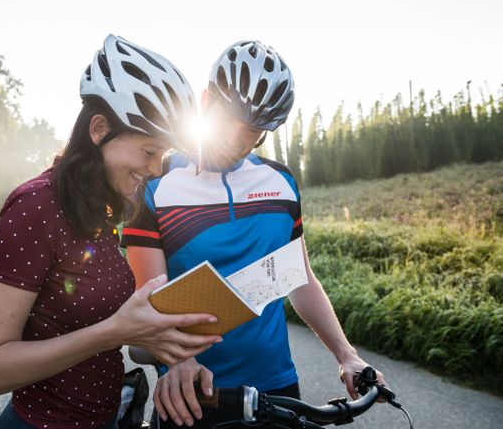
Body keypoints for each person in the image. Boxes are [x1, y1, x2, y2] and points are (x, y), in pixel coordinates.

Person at [122, 40, 388, 428]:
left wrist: (347, 355)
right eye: (228, 117)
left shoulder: (280, 182)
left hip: (277, 388)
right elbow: (149, 298)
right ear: (205, 100)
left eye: (253, 130)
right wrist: (179, 362)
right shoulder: (154, 184)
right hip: (191, 392)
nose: (236, 137)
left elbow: (300, 279)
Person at [0, 34, 222, 429]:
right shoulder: (34, 207)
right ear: (99, 129)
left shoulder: (101, 210)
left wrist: (176, 355)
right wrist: (111, 333)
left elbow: (108, 328)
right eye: (148, 151)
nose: (156, 169)